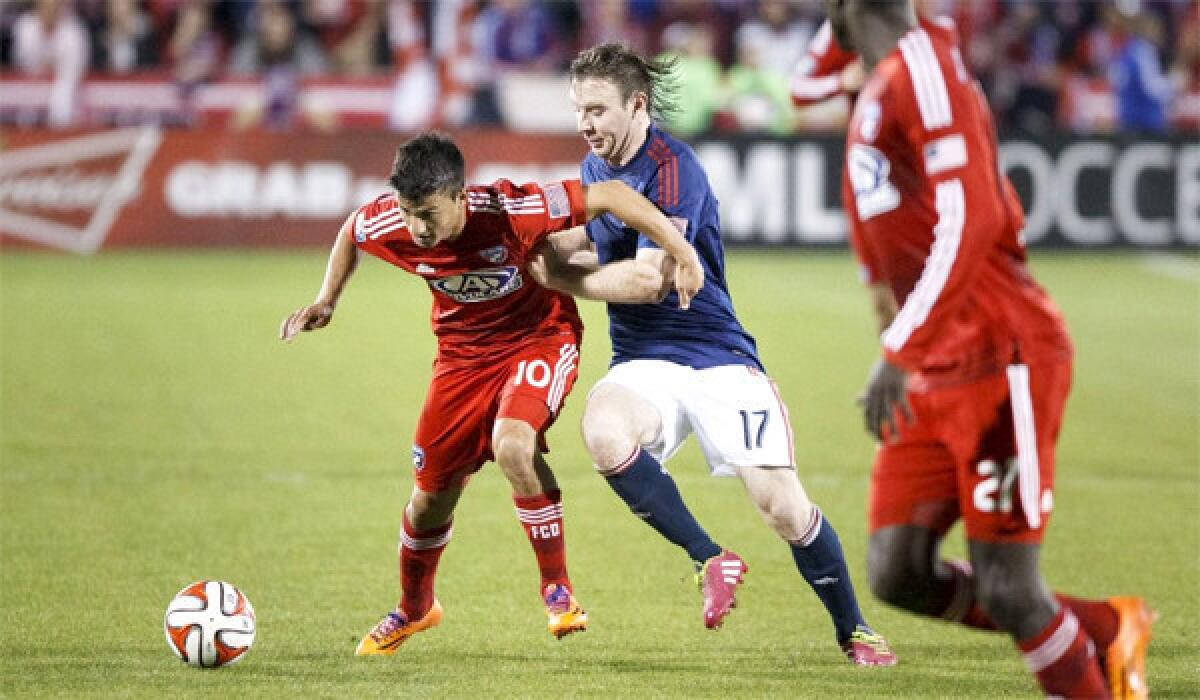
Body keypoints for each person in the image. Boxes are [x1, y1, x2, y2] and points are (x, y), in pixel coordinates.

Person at [825, 0, 1155, 697]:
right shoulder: (884, 77)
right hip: (932, 363)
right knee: (897, 569)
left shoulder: (924, 65)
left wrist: (898, 346)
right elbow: (807, 83)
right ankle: (1105, 627)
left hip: (999, 353)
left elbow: (970, 215)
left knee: (1008, 582)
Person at [529, 42, 897, 666]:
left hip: (718, 356)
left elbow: (650, 279)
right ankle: (710, 558)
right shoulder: (596, 171)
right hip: (644, 360)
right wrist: (534, 245)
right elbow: (602, 248)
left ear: (636, 105)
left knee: (780, 504)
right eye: (577, 110)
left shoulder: (674, 169)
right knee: (603, 431)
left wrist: (555, 277)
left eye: (596, 109)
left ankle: (855, 630)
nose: (584, 123)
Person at [280, 131, 704, 655]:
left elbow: (614, 196)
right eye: (408, 212)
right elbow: (351, 229)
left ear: (460, 196)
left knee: (512, 442)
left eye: (429, 214)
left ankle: (558, 589)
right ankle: (415, 610)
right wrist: (327, 300)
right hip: (460, 361)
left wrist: (680, 249)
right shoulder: (393, 221)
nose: (417, 227)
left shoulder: (511, 210)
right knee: (428, 502)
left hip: (539, 338)